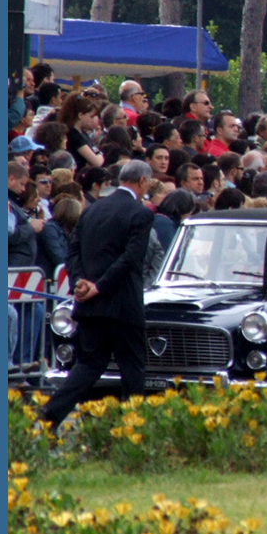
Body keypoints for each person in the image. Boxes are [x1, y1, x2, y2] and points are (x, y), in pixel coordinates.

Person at [40, 160, 155, 429]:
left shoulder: (91, 211)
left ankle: (50, 416)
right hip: (122, 304)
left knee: (89, 364)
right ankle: (132, 428)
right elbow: (130, 258)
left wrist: (81, 282)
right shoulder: (141, 213)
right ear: (141, 182)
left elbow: (72, 251)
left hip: (91, 304)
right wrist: (99, 286)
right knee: (132, 368)